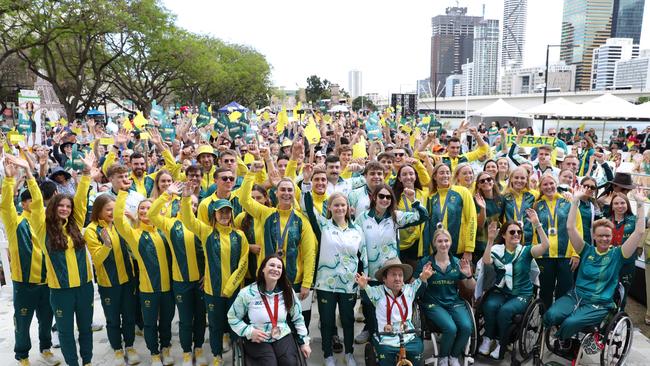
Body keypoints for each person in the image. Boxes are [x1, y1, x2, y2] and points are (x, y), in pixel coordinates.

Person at [544, 187, 647, 348]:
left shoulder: (618, 254)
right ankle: (564, 338)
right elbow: (570, 227)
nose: (604, 239)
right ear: (594, 236)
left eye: (607, 235)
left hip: (599, 303)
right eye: (600, 235)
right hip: (576, 297)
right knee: (550, 314)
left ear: (612, 237)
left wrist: (640, 203)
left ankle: (563, 340)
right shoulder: (586, 250)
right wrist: (575, 201)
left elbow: (639, 232)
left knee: (571, 322)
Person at [29, 152, 95, 366]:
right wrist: (31, 176)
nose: (65, 209)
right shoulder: (43, 230)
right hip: (61, 292)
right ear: (54, 208)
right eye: (61, 206)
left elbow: (82, 199)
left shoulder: (75, 224)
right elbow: (37, 205)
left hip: (84, 288)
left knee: (85, 329)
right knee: (66, 333)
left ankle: (87, 361)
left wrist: (86, 173)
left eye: (68, 206)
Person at [1, 156, 62, 366]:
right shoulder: (14, 223)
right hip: (24, 284)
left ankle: (45, 349)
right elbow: (5, 205)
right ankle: (23, 356)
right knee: (23, 323)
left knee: (46, 320)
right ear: (23, 203)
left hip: (47, 281)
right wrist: (9, 181)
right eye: (28, 200)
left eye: (34, 201)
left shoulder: (43, 222)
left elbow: (39, 201)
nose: (34, 203)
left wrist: (29, 173)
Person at [180, 186, 249, 366]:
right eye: (220, 212)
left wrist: (229, 287)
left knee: (235, 324)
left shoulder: (240, 235)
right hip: (212, 291)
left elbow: (243, 264)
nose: (224, 215)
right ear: (214, 215)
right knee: (216, 326)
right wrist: (186, 200)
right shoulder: (207, 232)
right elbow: (188, 220)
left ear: (232, 214)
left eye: (227, 211)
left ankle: (238, 354)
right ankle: (217, 356)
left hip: (233, 292)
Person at [353, 184, 428, 344]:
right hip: (370, 273)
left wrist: (413, 200)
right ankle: (373, 340)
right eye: (381, 196)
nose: (385, 199)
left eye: (388, 197)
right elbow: (356, 246)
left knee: (390, 308)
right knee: (370, 308)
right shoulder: (362, 218)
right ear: (374, 197)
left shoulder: (396, 217)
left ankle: (391, 342)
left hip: (391, 273)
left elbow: (422, 216)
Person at [301, 191, 367, 366]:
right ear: (329, 207)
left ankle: (349, 353)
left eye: (342, 205)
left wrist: (362, 279)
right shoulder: (323, 225)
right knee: (327, 320)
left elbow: (363, 257)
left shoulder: (357, 230)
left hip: (348, 285)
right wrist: (306, 184)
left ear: (348, 208)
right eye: (336, 205)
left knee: (348, 319)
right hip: (326, 284)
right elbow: (308, 208)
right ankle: (328, 354)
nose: (339, 208)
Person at [148, 182, 207, 366]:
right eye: (188, 202)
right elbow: (151, 215)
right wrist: (167, 194)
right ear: (180, 203)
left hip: (201, 281)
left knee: (200, 317)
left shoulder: (201, 225)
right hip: (181, 281)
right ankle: (186, 352)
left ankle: (198, 348)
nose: (192, 206)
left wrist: (207, 274)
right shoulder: (170, 224)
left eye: (195, 204)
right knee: (185, 319)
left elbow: (209, 253)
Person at [477, 210, 549, 360]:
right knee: (489, 306)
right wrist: (490, 240)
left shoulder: (526, 251)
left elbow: (545, 246)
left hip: (521, 293)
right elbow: (486, 261)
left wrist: (537, 224)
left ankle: (501, 343)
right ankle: (488, 338)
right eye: (512, 232)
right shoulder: (497, 250)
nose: (516, 234)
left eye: (519, 232)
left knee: (505, 311)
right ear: (503, 235)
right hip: (501, 291)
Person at [114, 191, 174, 366]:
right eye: (142, 208)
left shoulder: (164, 233)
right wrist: (123, 193)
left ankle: (166, 348)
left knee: (166, 322)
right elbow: (118, 220)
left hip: (168, 288)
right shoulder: (134, 235)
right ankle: (154, 353)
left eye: (149, 207)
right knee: (149, 324)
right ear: (137, 213)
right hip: (148, 289)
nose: (145, 211)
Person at [84, 194, 140, 366]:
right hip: (109, 283)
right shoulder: (92, 230)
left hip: (128, 280)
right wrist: (107, 246)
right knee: (113, 319)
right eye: (108, 209)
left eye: (115, 209)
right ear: (98, 210)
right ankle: (117, 349)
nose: (112, 212)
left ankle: (129, 346)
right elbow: (97, 259)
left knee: (129, 316)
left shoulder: (119, 224)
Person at [227, 255, 312, 365]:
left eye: (279, 267)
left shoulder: (287, 291)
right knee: (269, 363)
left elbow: (298, 318)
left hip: (281, 334)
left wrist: (304, 342)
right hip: (258, 336)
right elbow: (232, 317)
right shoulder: (247, 293)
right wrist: (249, 332)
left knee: (289, 362)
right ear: (263, 269)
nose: (275, 269)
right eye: (271, 265)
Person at [355, 258, 434, 366]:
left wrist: (424, 277)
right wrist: (363, 286)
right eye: (393, 275)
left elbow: (420, 284)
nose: (397, 278)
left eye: (400, 275)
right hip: (385, 337)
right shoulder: (377, 292)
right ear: (384, 278)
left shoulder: (409, 290)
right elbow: (366, 295)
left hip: (408, 335)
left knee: (417, 351)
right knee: (386, 357)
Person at [415, 229, 475, 366]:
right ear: (434, 244)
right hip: (433, 303)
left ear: (451, 242)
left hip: (453, 302)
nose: (443, 244)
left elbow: (471, 286)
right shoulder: (426, 262)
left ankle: (453, 356)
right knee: (451, 328)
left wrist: (469, 275)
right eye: (440, 241)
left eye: (446, 240)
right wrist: (423, 278)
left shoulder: (457, 262)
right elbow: (413, 288)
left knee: (466, 327)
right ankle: (443, 357)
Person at [533, 174, 580, 310]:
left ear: (556, 184)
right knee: (545, 291)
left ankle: (560, 319)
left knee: (565, 291)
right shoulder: (537, 205)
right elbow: (534, 231)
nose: (549, 187)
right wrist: (536, 253)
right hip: (544, 256)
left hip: (566, 256)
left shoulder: (568, 202)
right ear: (540, 187)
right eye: (545, 184)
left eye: (551, 183)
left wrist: (576, 253)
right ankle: (545, 321)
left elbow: (577, 228)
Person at [423, 163, 477, 262]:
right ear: (435, 176)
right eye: (442, 173)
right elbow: (426, 226)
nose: (445, 175)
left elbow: (472, 219)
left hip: (459, 250)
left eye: (448, 173)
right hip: (436, 250)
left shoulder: (462, 192)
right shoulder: (430, 196)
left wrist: (469, 249)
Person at [392, 164, 429, 267]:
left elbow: (428, 181)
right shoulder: (393, 196)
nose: (408, 177)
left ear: (416, 176)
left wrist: (418, 162)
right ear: (399, 178)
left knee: (415, 273)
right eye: (404, 174)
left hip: (418, 242)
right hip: (399, 243)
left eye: (411, 173)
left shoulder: (424, 194)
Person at [501, 167, 539, 245]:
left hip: (529, 238)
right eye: (516, 178)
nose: (519, 180)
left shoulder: (534, 195)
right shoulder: (504, 195)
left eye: (522, 178)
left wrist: (566, 196)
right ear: (511, 179)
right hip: (509, 238)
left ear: (526, 180)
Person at [473, 171, 504, 264]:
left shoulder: (501, 199)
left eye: (489, 179)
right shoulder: (475, 200)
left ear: (493, 182)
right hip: (481, 244)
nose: (486, 182)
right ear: (478, 185)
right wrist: (483, 208)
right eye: (482, 181)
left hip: (497, 244)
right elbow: (480, 224)